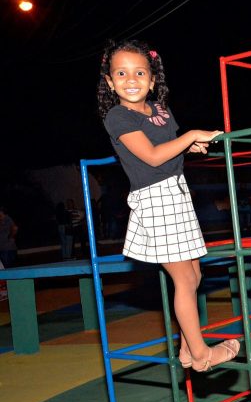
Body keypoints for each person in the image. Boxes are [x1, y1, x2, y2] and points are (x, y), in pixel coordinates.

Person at [97, 38, 239, 372]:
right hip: (155, 198)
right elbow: (151, 156)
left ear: (152, 80)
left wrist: (189, 147)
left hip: (177, 193)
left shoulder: (161, 111)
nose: (131, 80)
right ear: (110, 82)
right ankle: (201, 355)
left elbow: (169, 147)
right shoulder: (118, 117)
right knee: (184, 280)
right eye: (121, 73)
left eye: (139, 72)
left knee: (195, 274)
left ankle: (187, 350)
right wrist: (191, 136)